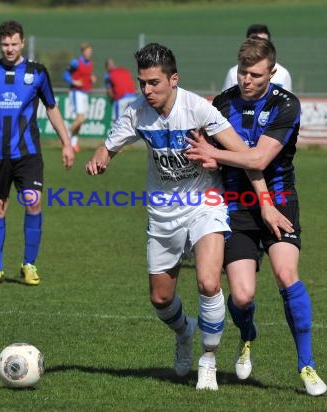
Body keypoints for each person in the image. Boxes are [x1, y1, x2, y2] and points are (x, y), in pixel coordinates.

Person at [85, 43, 280, 391]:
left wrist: (258, 196)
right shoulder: (136, 113)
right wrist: (100, 158)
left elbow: (246, 155)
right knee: (160, 299)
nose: (147, 90)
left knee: (208, 282)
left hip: (205, 203)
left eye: (154, 83)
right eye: (142, 83)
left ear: (174, 79)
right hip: (162, 212)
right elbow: (108, 145)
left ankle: (208, 358)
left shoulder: (199, 110)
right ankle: (184, 331)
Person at [186, 36, 327, 396]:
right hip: (235, 205)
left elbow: (259, 160)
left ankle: (306, 365)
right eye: (242, 73)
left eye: (255, 74)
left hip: (279, 201)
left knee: (286, 273)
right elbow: (201, 146)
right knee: (243, 297)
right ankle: (247, 334)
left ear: (272, 72)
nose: (246, 81)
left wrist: (217, 155)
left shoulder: (285, 105)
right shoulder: (222, 103)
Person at [0, 20, 75, 286]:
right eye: (5, 44)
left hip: (27, 153)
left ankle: (29, 264)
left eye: (14, 44)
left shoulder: (37, 73)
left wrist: (67, 143)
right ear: (0, 44)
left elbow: (52, 108)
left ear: (23, 43)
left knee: (33, 201)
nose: (9, 49)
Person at [222, 24, 292, 92]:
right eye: (254, 41)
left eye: (263, 41)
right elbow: (225, 101)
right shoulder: (233, 73)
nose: (258, 46)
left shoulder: (283, 73)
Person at [63, 42, 97, 152]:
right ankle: (65, 136)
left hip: (85, 92)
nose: (89, 53)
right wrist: (74, 81)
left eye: (90, 52)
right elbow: (65, 75)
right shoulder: (75, 63)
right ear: (83, 52)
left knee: (81, 120)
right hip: (76, 92)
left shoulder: (90, 63)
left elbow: (87, 75)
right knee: (80, 118)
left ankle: (74, 143)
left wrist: (92, 78)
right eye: (87, 51)